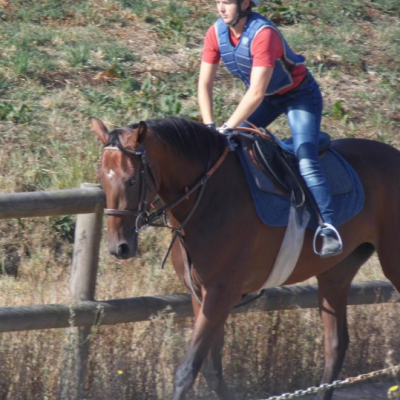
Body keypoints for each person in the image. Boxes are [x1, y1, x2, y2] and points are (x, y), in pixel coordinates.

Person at [198, 0, 343, 258]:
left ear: (244, 4)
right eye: (218, 2)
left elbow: (255, 92)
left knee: (305, 158)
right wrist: (210, 126)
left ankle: (328, 227)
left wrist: (227, 126)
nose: (221, 8)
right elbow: (204, 84)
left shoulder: (263, 34)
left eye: (227, 2)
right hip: (267, 98)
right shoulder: (215, 33)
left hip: (299, 96)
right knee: (232, 146)